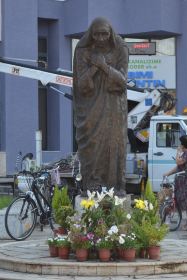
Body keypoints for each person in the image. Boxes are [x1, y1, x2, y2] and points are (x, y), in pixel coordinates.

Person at [72, 17, 129, 196]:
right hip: (90, 108)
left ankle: (114, 186)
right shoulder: (82, 50)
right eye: (96, 34)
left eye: (104, 34)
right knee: (91, 144)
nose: (101, 38)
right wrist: (94, 68)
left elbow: (122, 82)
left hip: (113, 107)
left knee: (114, 144)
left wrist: (104, 66)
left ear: (110, 33)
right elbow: (81, 85)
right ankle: (91, 185)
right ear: (91, 34)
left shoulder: (121, 48)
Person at [163, 135, 187, 215]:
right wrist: (168, 173)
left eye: (181, 143)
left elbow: (178, 162)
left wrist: (178, 152)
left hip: (186, 182)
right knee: (180, 201)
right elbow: (179, 167)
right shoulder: (186, 153)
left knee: (186, 202)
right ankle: (182, 221)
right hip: (182, 182)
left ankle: (186, 223)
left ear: (183, 144)